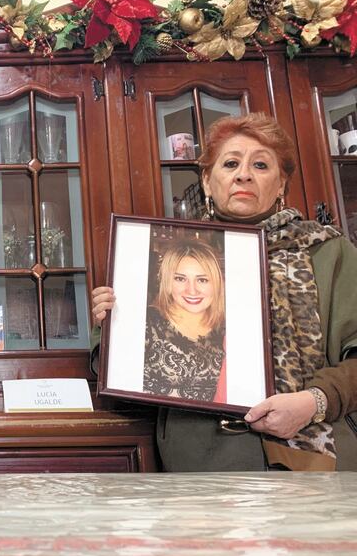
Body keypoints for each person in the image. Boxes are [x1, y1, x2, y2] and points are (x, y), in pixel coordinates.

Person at [92, 112, 357, 471]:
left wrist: (314, 401)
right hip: (203, 462)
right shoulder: (167, 257)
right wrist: (112, 327)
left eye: (261, 165)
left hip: (317, 459)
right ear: (206, 180)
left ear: (281, 184)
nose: (243, 174)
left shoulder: (328, 251)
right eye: (230, 163)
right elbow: (128, 379)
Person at [143, 239, 226, 402]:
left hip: (215, 425)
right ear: (167, 282)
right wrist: (108, 323)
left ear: (216, 284)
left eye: (202, 280)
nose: (192, 290)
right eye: (180, 279)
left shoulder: (229, 329)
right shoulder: (145, 323)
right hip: (154, 423)